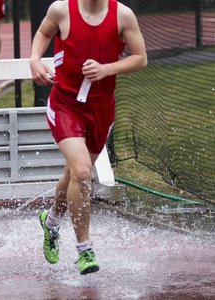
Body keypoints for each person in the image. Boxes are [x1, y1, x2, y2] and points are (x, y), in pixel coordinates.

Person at [30, 0, 147, 275]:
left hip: (102, 108)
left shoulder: (123, 15)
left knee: (73, 174)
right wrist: (35, 60)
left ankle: (51, 222)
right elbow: (43, 33)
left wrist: (107, 69)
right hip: (66, 104)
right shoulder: (61, 10)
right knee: (83, 172)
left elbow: (140, 58)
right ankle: (85, 250)